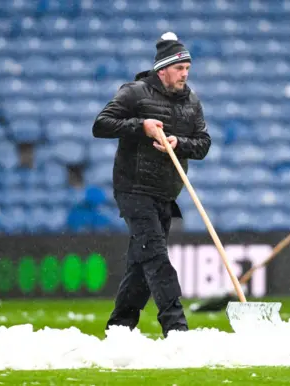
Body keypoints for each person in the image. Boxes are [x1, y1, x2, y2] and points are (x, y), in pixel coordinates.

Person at [92, 32, 211, 337]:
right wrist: (141, 127)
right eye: (180, 68)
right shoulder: (134, 93)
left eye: (188, 68)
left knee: (141, 266)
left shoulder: (192, 101)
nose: (185, 73)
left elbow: (203, 144)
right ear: (162, 70)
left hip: (166, 193)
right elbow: (101, 125)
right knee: (157, 257)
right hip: (134, 189)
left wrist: (178, 142)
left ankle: (119, 329)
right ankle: (176, 328)